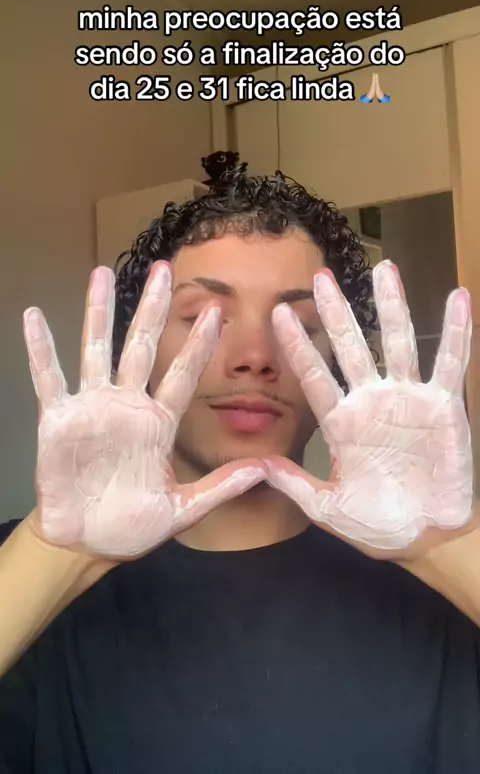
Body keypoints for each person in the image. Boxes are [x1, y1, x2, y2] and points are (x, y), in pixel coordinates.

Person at [0, 167, 479, 774]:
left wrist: (450, 548)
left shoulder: (445, 585)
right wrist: (56, 555)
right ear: (137, 352)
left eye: (299, 326)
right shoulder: (28, 573)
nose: (255, 357)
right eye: (205, 317)